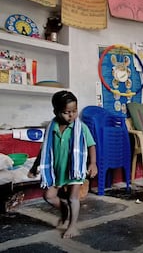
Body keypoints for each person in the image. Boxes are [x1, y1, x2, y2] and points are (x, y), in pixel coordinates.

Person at [34, 90, 97, 238]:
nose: (71, 115)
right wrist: (34, 166)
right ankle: (65, 211)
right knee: (49, 196)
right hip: (57, 170)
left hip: (74, 169)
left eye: (74, 111)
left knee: (72, 198)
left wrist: (93, 163)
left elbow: (91, 145)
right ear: (56, 111)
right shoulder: (52, 128)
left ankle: (72, 226)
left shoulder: (81, 127)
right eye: (66, 112)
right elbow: (44, 150)